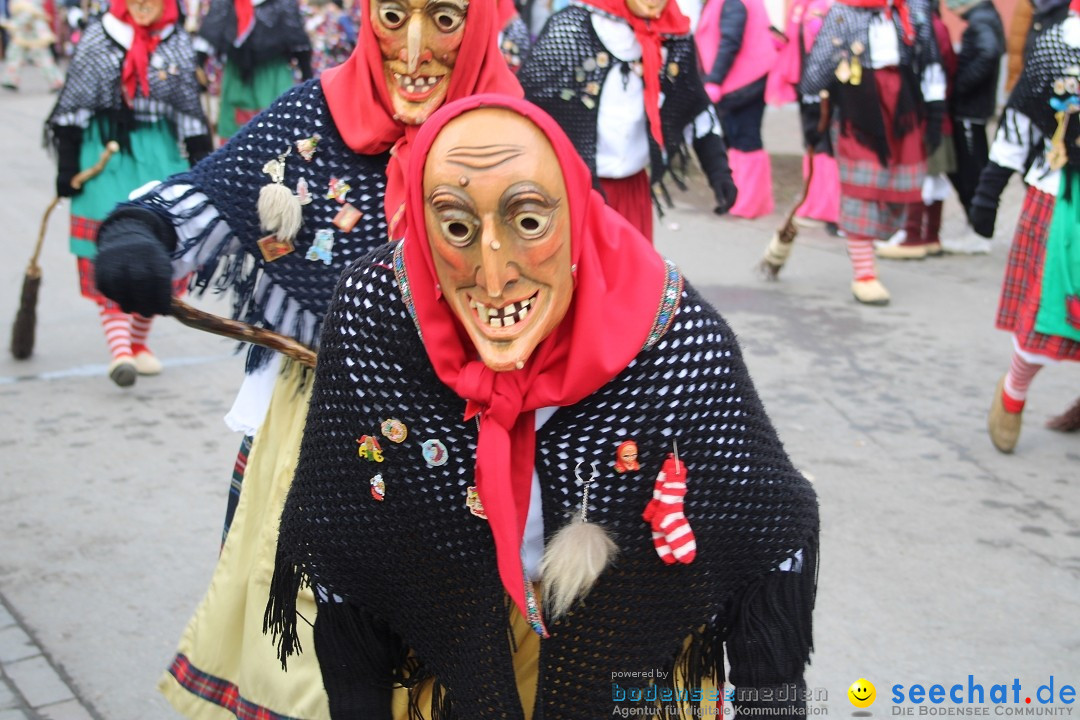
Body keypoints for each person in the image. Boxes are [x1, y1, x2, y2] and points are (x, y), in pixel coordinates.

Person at [266, 93, 819, 720]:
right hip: (451, 653)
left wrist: (770, 700)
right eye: (456, 228)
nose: (493, 275)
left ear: (575, 211)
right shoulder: (380, 311)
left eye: (529, 222)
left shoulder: (670, 335)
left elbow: (768, 535)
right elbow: (348, 540)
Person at [91, 0, 521, 717]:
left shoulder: (520, 137)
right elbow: (198, 198)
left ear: (478, 26)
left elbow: (592, 276)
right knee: (316, 664)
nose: (414, 49)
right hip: (315, 430)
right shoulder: (314, 115)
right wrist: (139, 230)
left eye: (444, 19)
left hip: (474, 443)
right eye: (393, 16)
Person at [45, 0, 210, 386]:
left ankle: (137, 344)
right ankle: (120, 351)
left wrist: (203, 164)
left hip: (158, 152)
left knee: (161, 247)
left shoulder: (176, 42)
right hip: (104, 152)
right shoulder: (99, 36)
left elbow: (189, 112)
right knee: (109, 246)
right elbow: (72, 108)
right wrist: (67, 166)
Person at [517, 0, 736, 243]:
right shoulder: (571, 28)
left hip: (632, 192)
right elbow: (530, 106)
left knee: (635, 279)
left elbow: (693, 108)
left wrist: (719, 172)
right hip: (574, 192)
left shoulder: (673, 37)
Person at [968, 0, 1080, 453]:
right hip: (1062, 196)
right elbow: (1018, 120)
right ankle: (1013, 392)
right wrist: (987, 193)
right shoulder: (1061, 43)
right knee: (1047, 317)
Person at [799, 0, 943, 305]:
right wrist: (812, 117)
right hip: (858, 109)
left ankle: (877, 240)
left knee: (901, 187)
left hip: (903, 107)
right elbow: (817, 70)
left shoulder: (913, 10)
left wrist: (935, 109)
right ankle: (864, 274)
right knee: (860, 193)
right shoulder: (843, 12)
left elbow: (929, 62)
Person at [877, 0, 957, 259]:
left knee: (922, 176)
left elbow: (936, 70)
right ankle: (930, 235)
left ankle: (913, 236)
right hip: (933, 113)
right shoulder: (935, 27)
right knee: (932, 177)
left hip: (925, 115)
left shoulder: (929, 29)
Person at [697, 0, 777, 218]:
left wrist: (714, 80)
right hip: (741, 82)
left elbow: (730, 41)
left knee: (745, 140)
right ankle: (738, 198)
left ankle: (748, 203)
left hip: (743, 82)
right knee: (737, 140)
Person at [194, 0, 311, 142]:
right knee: (235, 134)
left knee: (276, 129)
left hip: (272, 74)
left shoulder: (282, 3)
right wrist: (198, 65)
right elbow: (211, 31)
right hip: (236, 76)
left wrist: (306, 73)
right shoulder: (226, 3)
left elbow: (297, 39)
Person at [2, 0, 64, 90]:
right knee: (14, 54)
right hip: (23, 32)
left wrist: (13, 24)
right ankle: (10, 79)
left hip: (35, 32)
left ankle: (56, 80)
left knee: (43, 58)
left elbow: (29, 12)